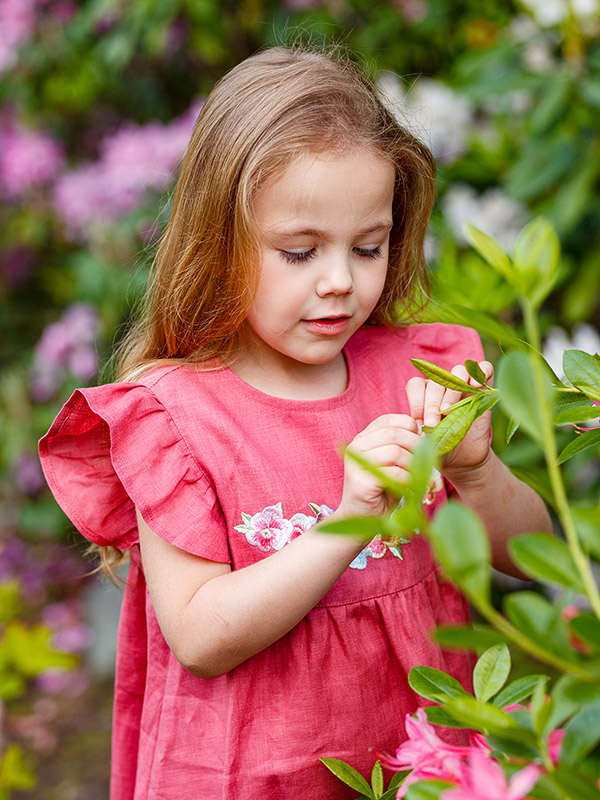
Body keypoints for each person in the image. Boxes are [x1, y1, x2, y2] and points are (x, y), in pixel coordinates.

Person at [39, 45, 551, 800]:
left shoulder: (415, 375)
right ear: (220, 244)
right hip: (250, 774)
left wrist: (476, 470)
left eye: (368, 246)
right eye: (301, 251)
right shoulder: (176, 419)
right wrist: (346, 523)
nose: (341, 280)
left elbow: (538, 558)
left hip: (420, 764)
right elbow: (202, 636)